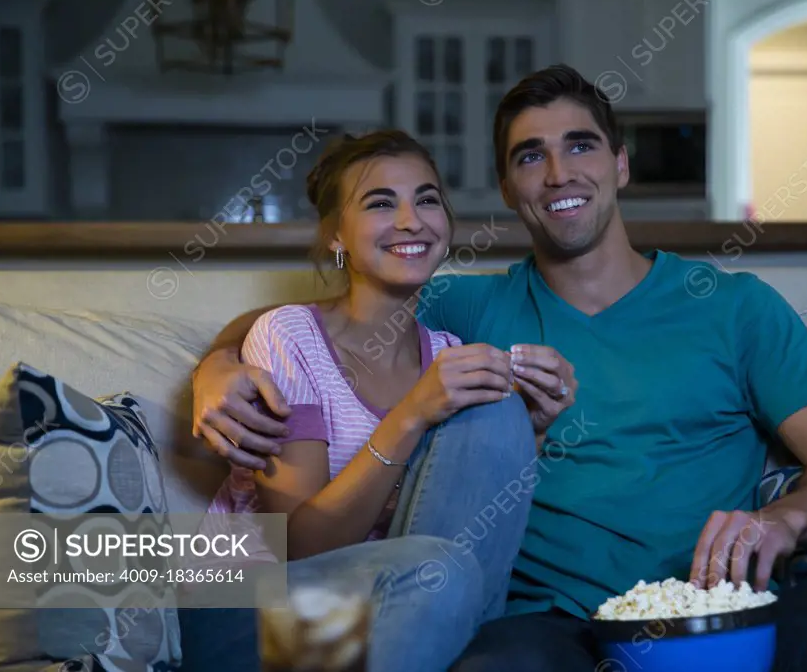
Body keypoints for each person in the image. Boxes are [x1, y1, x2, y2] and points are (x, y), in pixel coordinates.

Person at [190, 65, 807, 671]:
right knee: (457, 609)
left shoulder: (732, 306)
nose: (559, 174)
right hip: (540, 627)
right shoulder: (462, 315)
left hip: (717, 615)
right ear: (509, 191)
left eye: (580, 146)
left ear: (619, 164)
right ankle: (77, 579)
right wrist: (219, 367)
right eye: (529, 157)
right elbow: (319, 328)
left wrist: (785, 521)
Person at [179, 129, 558, 672]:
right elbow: (299, 547)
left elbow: (470, 530)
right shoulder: (289, 337)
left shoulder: (449, 355)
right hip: (251, 607)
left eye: (427, 199)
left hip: (406, 611)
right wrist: (411, 413)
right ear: (336, 235)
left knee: (491, 430)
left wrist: (534, 430)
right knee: (440, 573)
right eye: (381, 203)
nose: (411, 219)